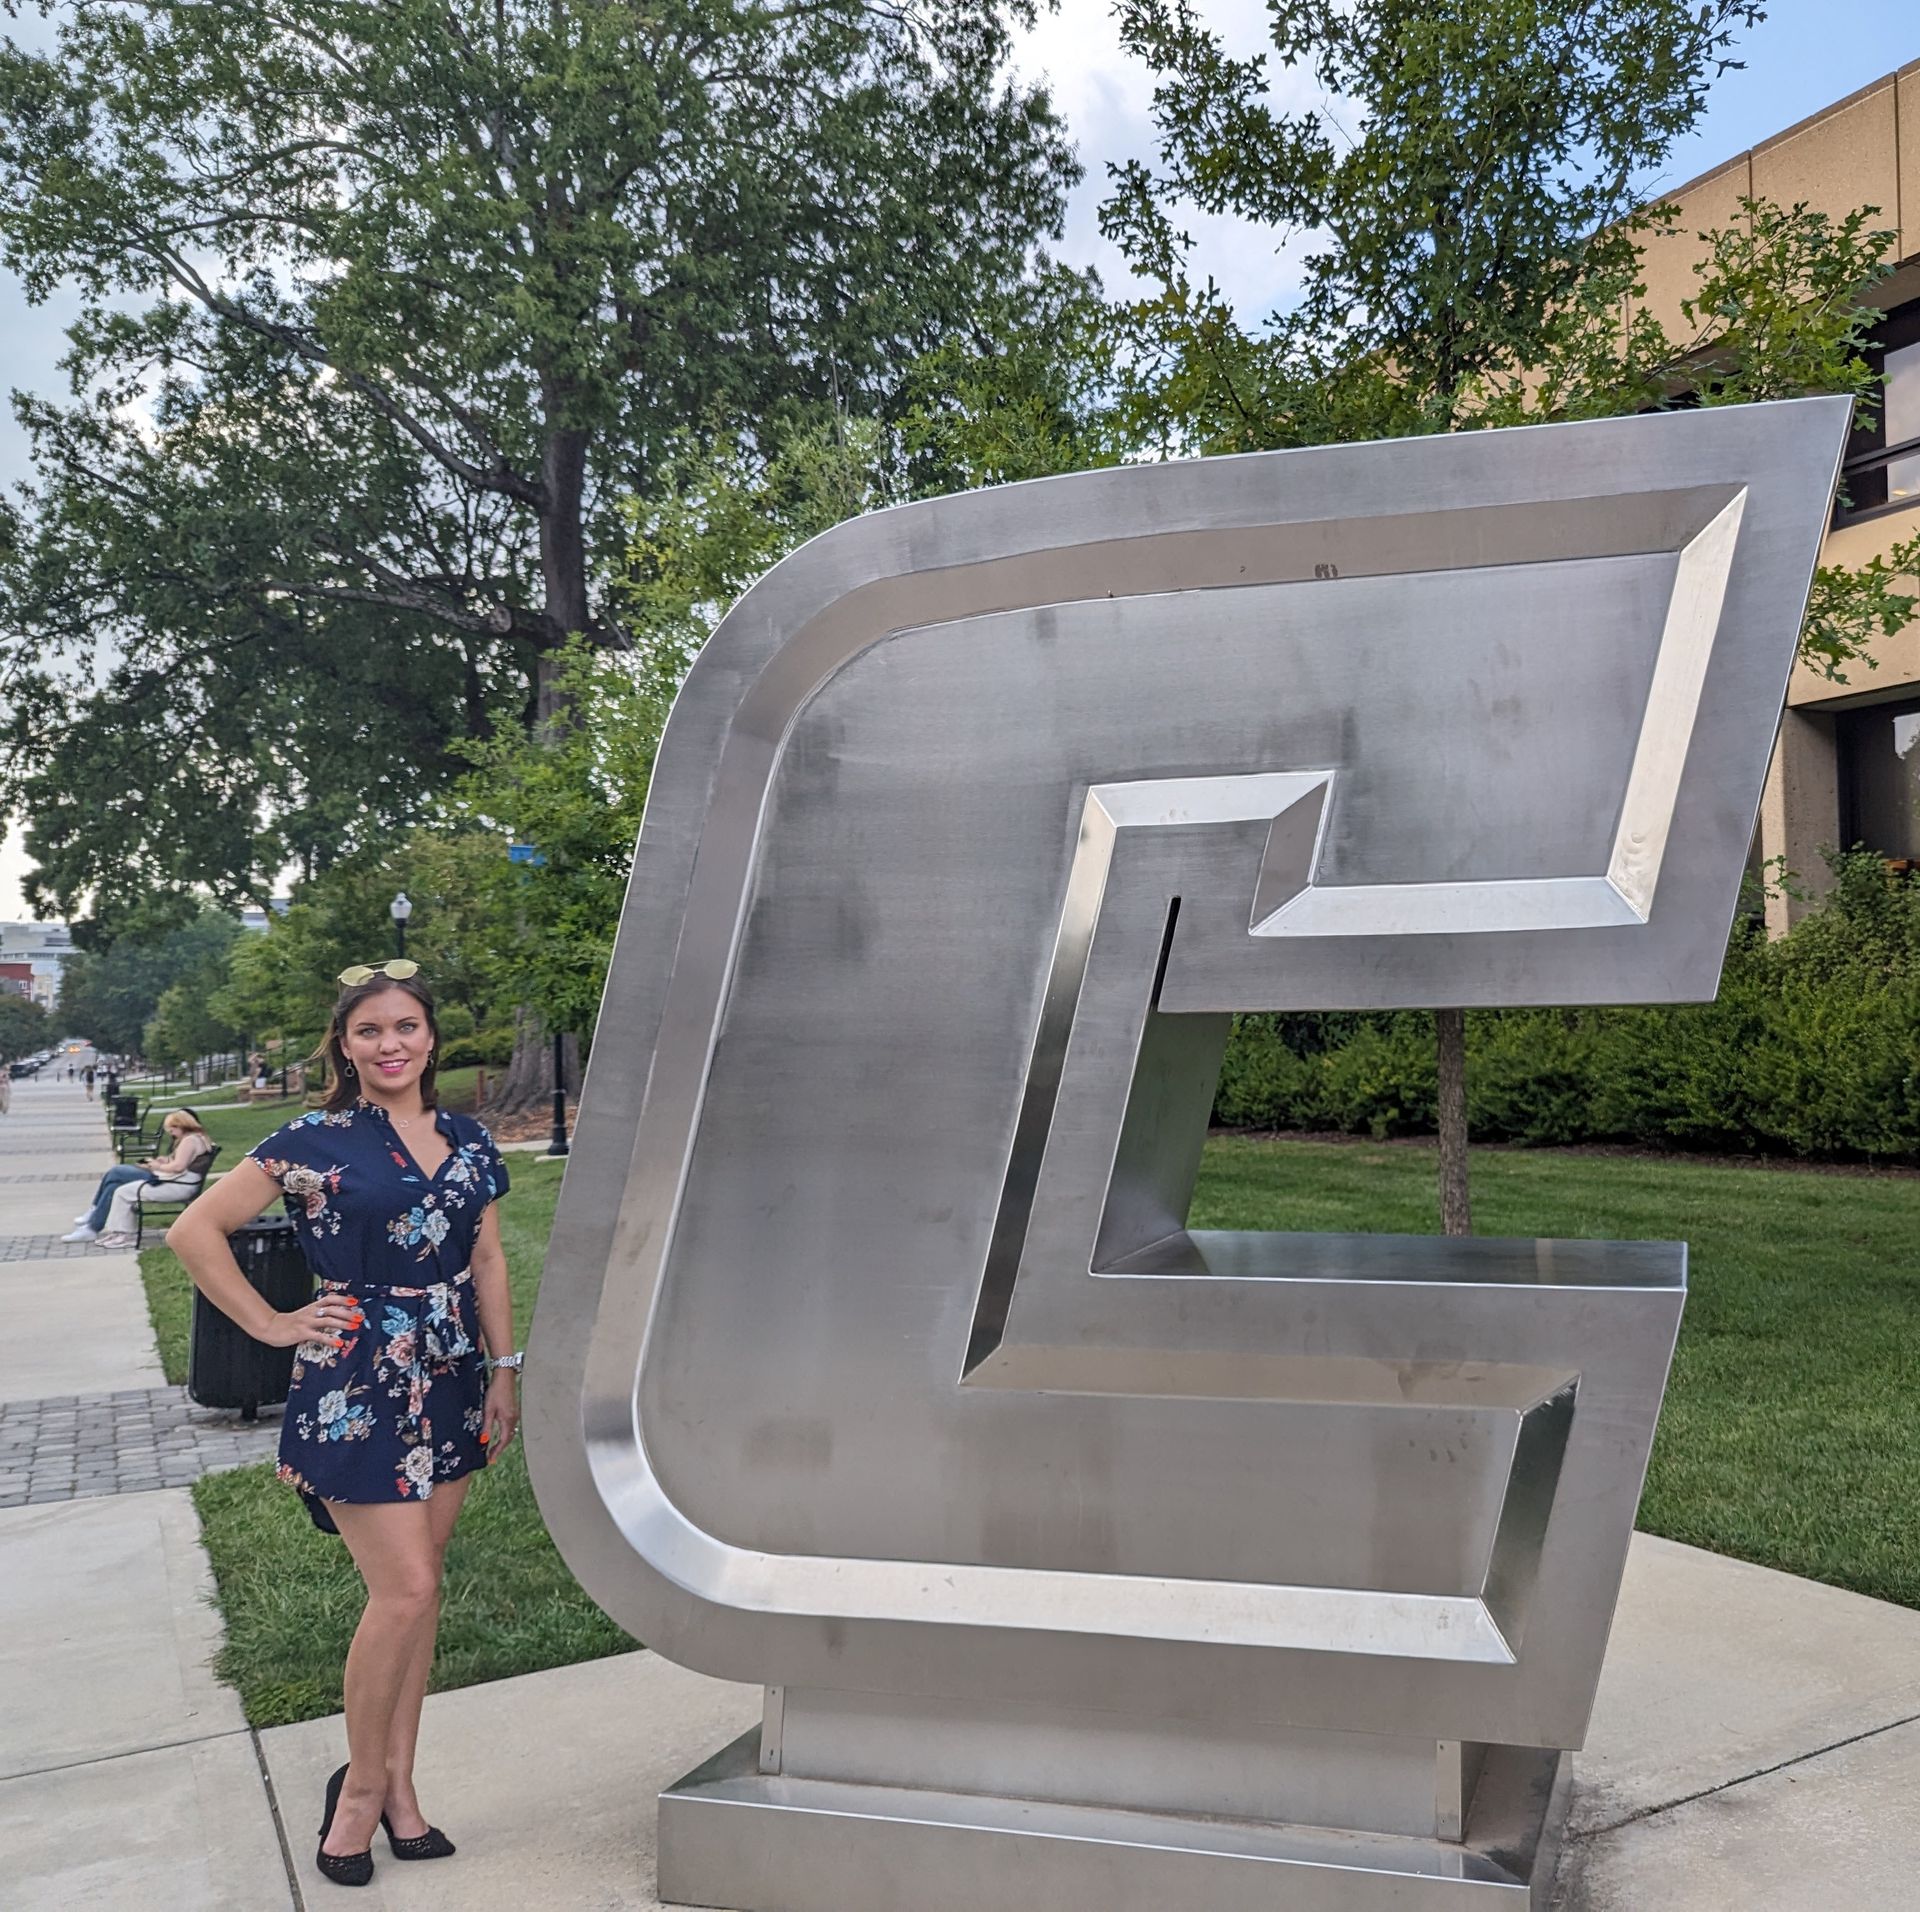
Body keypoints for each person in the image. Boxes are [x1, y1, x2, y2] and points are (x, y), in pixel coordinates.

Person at [168, 961, 519, 1889]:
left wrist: (504, 1371)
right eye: (370, 1031)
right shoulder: (313, 1140)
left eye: (406, 1026)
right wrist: (274, 1324)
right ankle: (359, 1790)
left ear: (430, 1037)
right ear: (346, 1046)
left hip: (451, 1375)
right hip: (356, 1379)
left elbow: (485, 1257)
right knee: (402, 1588)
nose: (391, 1043)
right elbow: (194, 1230)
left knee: (424, 1588)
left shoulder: (471, 1139)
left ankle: (402, 1785)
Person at [64, 1110, 213, 1243]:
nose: (171, 1133)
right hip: (172, 1179)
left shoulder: (189, 1141)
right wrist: (163, 1160)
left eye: (172, 1129)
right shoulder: (196, 1138)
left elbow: (178, 1167)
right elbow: (181, 1161)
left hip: (171, 1181)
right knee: (114, 1185)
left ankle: (93, 1213)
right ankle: (92, 1226)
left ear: (181, 1125)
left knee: (116, 1172)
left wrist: (157, 1166)